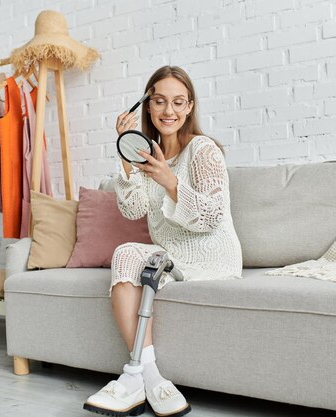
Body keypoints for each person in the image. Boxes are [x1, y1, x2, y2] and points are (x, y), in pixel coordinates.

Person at [84, 66, 243, 417]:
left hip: (211, 255)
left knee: (139, 257)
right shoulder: (144, 155)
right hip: (170, 254)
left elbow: (213, 217)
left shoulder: (203, 149)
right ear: (147, 106)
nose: (168, 111)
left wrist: (171, 181)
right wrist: (127, 161)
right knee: (125, 253)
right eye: (159, 101)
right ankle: (147, 375)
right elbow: (132, 209)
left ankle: (133, 378)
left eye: (177, 102)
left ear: (189, 107)